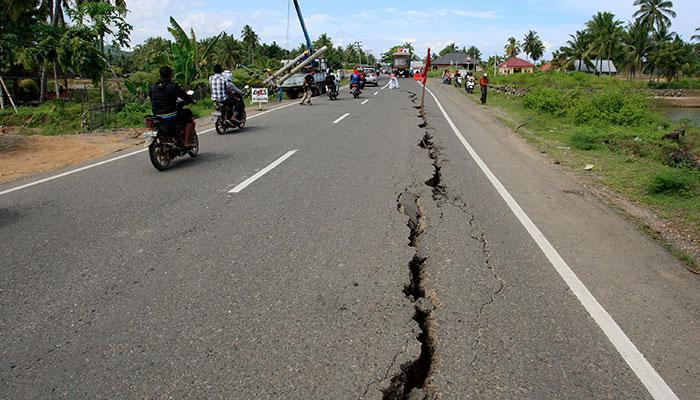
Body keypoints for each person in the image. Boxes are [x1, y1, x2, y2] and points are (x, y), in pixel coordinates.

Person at [149, 66, 196, 147]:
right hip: (170, 114)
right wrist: (191, 101)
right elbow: (184, 96)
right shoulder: (173, 86)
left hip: (157, 115)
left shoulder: (152, 87)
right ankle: (186, 142)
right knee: (188, 117)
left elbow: (151, 98)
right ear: (170, 74)